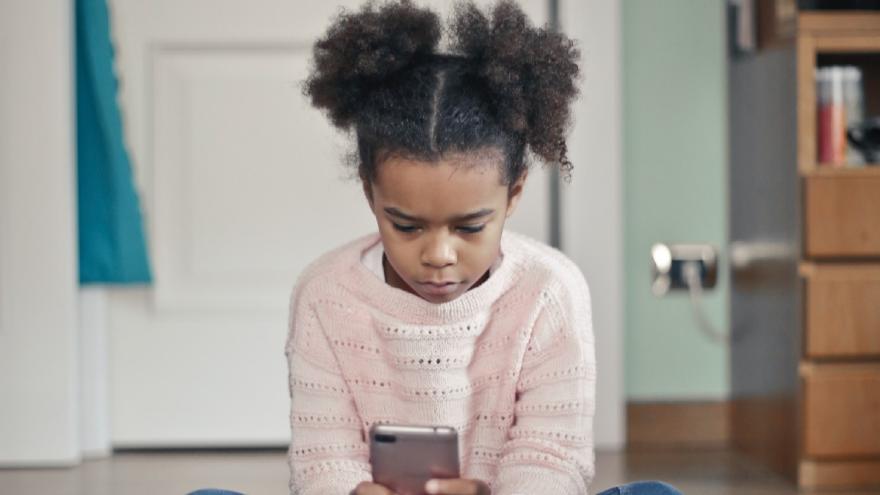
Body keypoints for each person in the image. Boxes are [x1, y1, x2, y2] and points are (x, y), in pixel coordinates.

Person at [193, 1, 682, 494]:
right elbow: (322, 459)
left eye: (469, 228)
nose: (439, 255)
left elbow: (552, 457)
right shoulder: (325, 294)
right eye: (406, 227)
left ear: (513, 194)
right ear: (370, 193)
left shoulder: (549, 290)